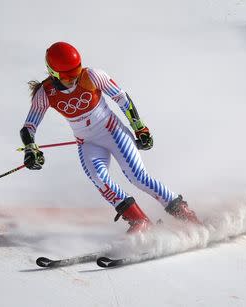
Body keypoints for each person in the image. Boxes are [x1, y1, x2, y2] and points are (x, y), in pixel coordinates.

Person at [21, 42, 199, 233]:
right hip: (88, 142)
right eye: (67, 76)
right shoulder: (46, 93)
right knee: (98, 178)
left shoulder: (92, 76)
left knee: (138, 177)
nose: (74, 79)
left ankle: (184, 213)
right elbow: (29, 127)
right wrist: (31, 149)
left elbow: (122, 98)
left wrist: (140, 128)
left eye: (77, 72)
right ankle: (140, 221)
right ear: (53, 73)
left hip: (113, 132)